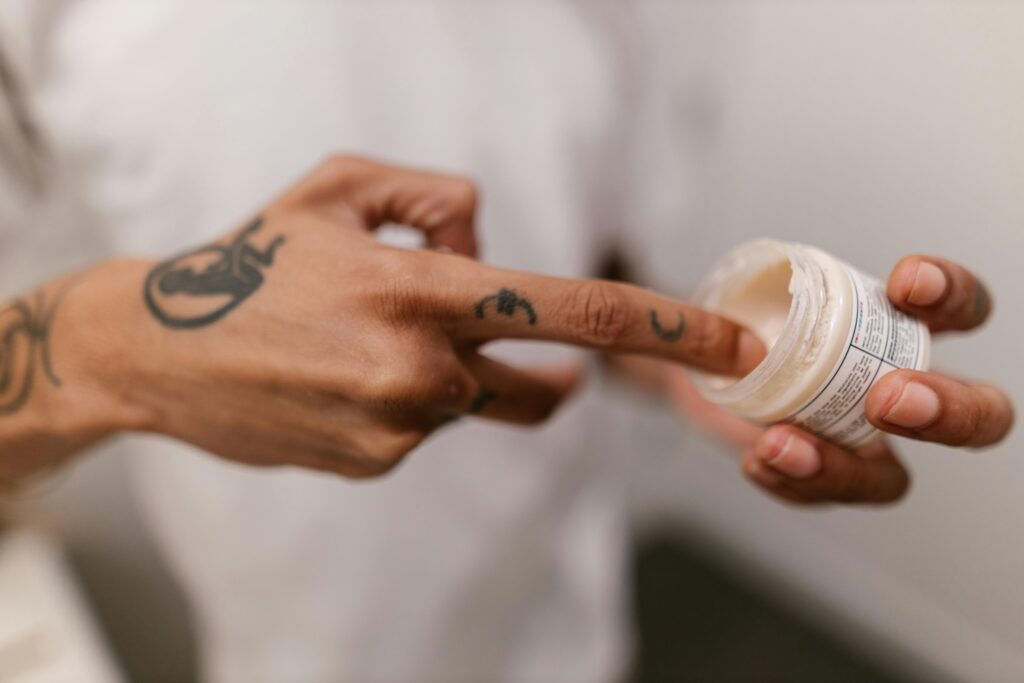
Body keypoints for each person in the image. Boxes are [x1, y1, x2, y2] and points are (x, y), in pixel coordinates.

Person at [0, 3, 1012, 682]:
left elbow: (589, 254)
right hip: (297, 643)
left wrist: (711, 359)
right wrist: (111, 347)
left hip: (567, 624)